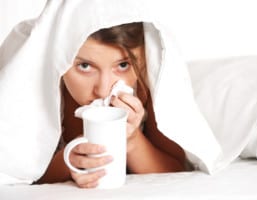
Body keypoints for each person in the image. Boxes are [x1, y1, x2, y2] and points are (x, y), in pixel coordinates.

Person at [36, 22, 187, 188]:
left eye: (123, 65)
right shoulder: (47, 95)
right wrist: (68, 162)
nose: (102, 90)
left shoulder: (150, 91)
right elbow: (19, 175)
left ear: (143, 59)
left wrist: (132, 140)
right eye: (85, 66)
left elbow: (179, 173)